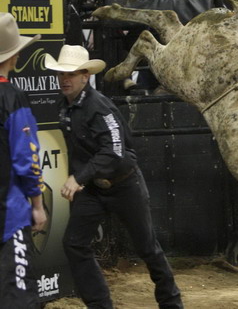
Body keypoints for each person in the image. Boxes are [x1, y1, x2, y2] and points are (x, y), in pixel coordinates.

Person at [44, 45, 183, 308]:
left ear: (85, 76)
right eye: (62, 74)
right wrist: (81, 178)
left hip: (123, 185)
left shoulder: (99, 107)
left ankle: (172, 303)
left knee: (147, 248)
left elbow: (115, 151)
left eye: (71, 74)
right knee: (74, 243)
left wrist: (78, 177)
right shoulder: (64, 108)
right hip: (93, 189)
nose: (65, 79)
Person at [0, 13, 47, 308]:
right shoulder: (12, 97)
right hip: (9, 213)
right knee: (17, 295)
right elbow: (26, 157)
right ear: (14, 55)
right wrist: (38, 205)